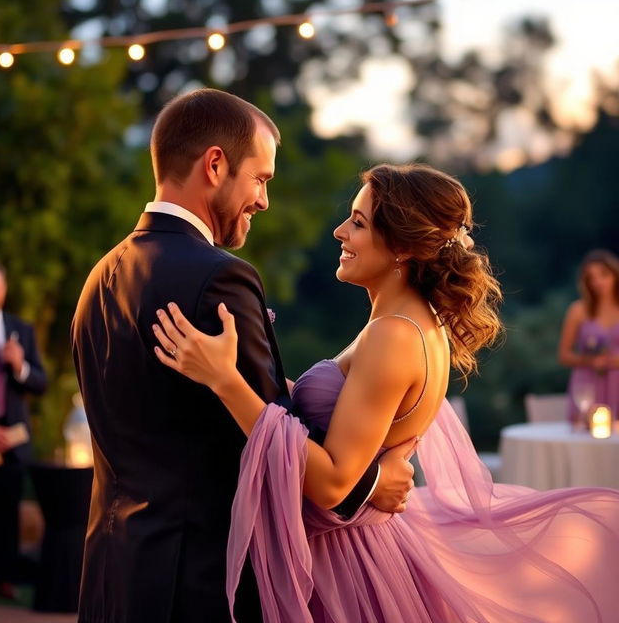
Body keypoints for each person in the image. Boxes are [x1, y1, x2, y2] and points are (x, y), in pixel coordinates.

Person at [154, 164, 619, 622]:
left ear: (402, 246)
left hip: (344, 566)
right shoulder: (408, 323)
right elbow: (346, 420)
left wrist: (225, 382)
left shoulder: (394, 335)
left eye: (357, 223)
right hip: (359, 547)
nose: (339, 232)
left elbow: (333, 483)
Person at [70, 89, 415, 623]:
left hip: (110, 576)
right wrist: (370, 483)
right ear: (215, 165)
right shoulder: (219, 277)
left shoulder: (100, 276)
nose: (263, 200)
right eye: (260, 179)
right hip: (200, 584)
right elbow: (272, 430)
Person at [0, 257, 47, 599]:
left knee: (8, 511)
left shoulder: (22, 330)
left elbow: (41, 383)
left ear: (3, 289)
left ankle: (4, 581)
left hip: (13, 438)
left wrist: (20, 366)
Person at [559, 249, 619, 423]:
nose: (597, 282)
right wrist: (590, 361)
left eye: (603, 274)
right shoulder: (578, 310)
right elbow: (564, 355)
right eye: (591, 277)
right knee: (585, 433)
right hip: (587, 386)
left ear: (615, 274)